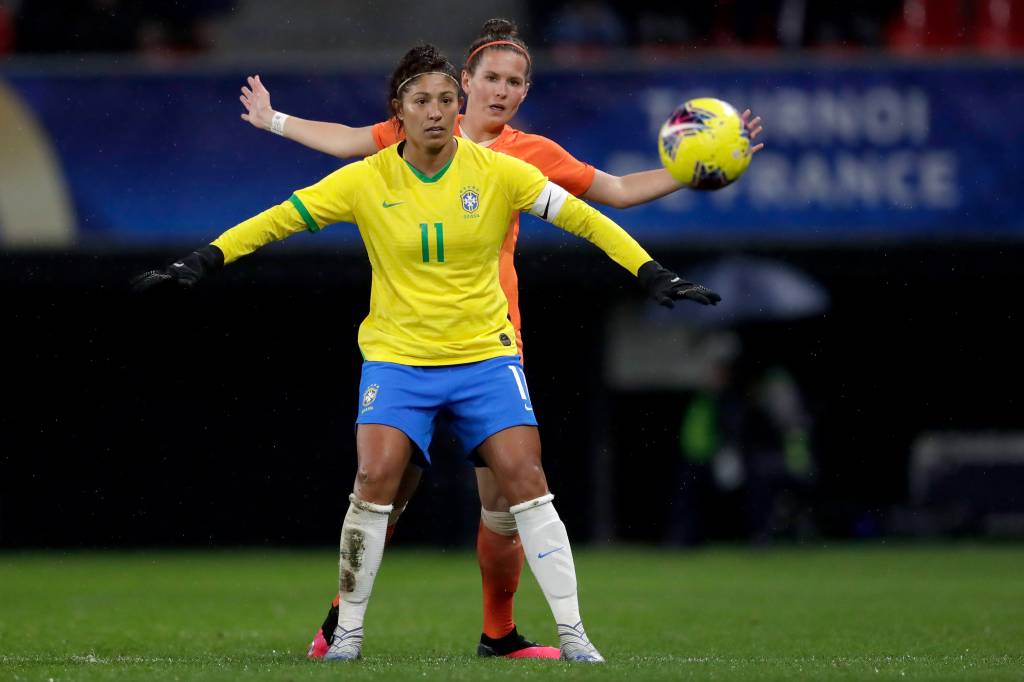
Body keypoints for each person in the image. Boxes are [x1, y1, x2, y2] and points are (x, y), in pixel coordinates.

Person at [135, 43, 720, 662]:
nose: (438, 111)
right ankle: (345, 634)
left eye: (447, 100)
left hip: (487, 356)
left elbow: (590, 217)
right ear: (402, 112)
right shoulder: (369, 175)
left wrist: (652, 273)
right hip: (399, 359)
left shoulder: (510, 166)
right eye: (426, 100)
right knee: (376, 482)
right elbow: (280, 218)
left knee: (525, 482)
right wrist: (203, 258)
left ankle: (569, 637)